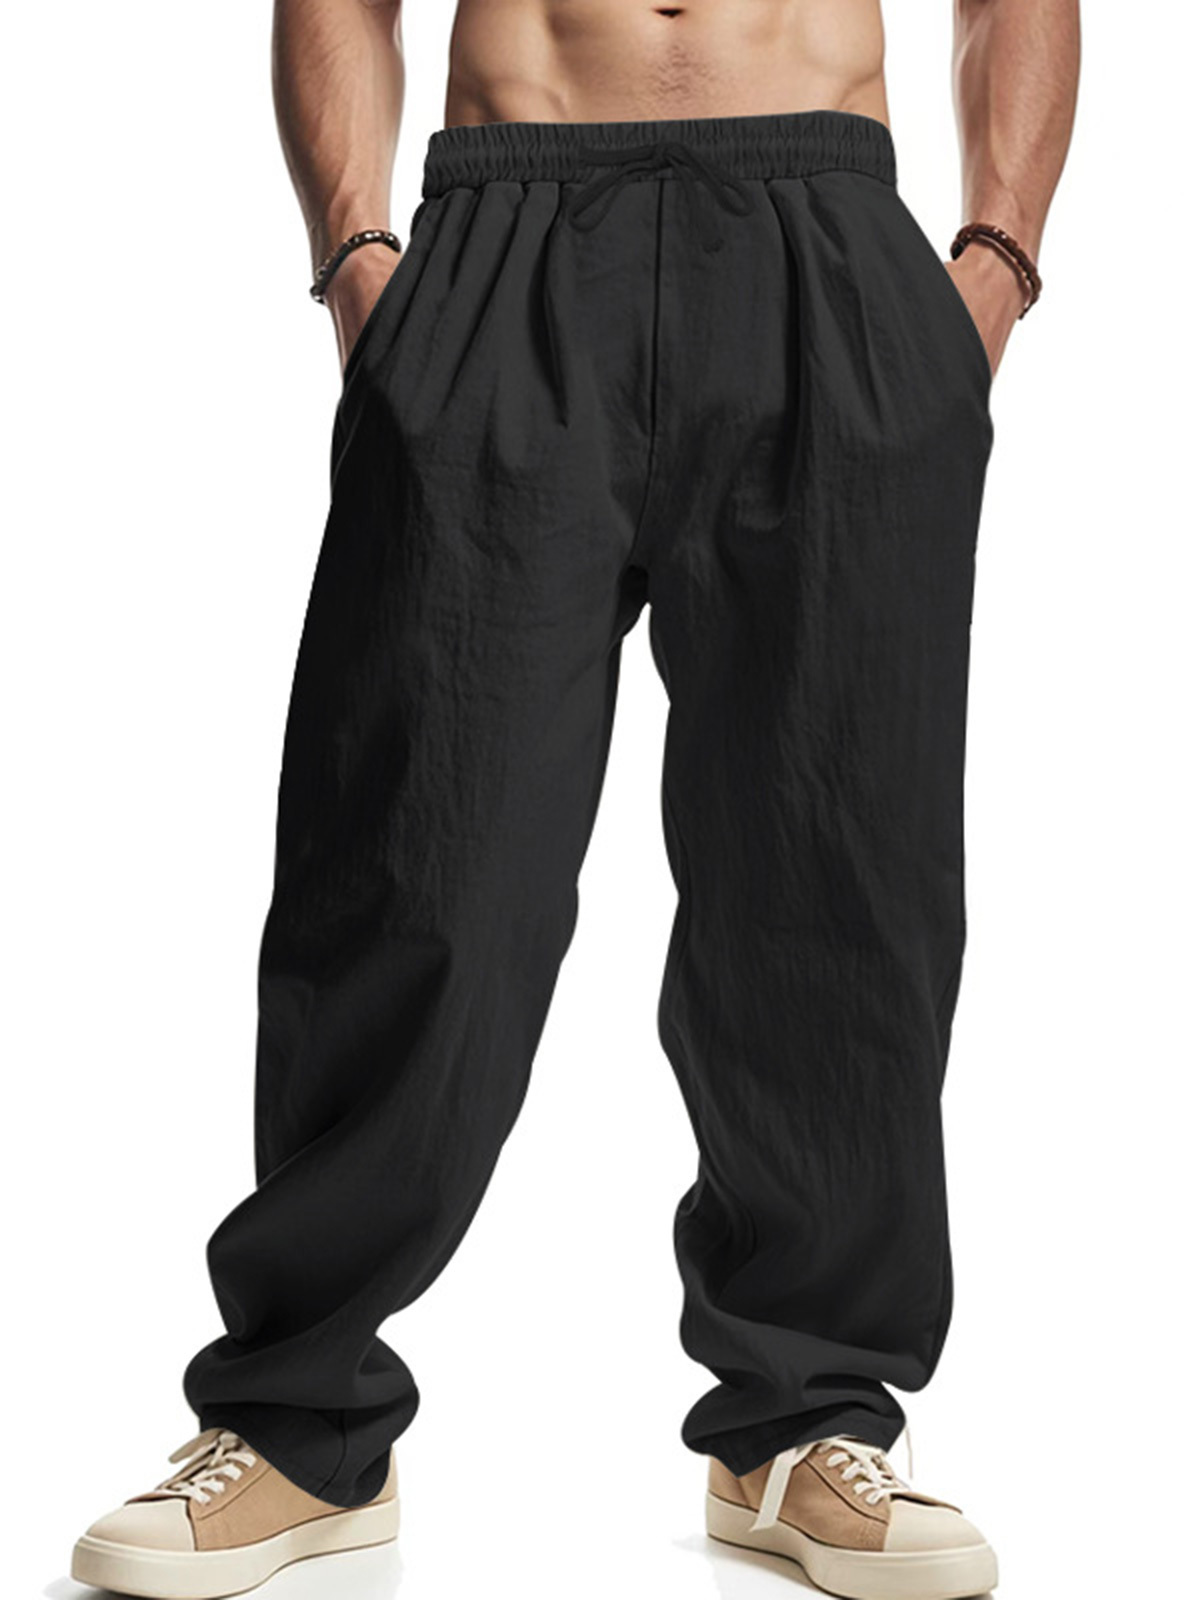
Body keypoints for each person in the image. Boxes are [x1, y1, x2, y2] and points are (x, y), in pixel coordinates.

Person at [71, 1, 1079, 1597]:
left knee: (837, 878)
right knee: (417, 868)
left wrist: (993, 267)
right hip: (508, 224)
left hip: (824, 231)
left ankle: (804, 1419)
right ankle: (299, 1424)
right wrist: (359, 262)